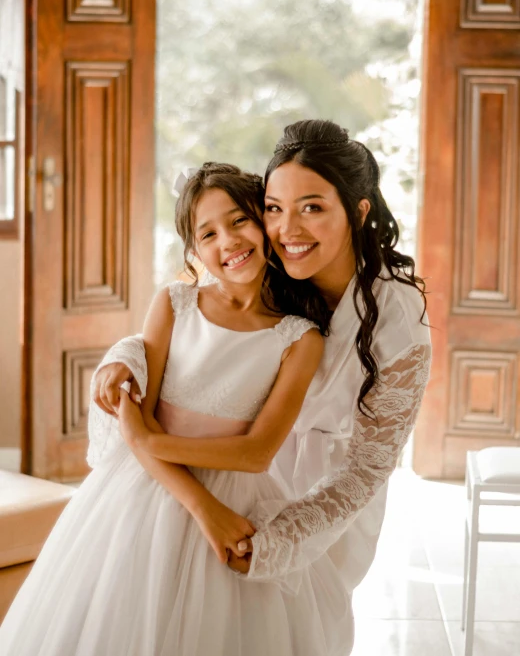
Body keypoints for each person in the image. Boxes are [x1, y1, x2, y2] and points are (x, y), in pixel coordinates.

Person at [93, 120, 432, 654]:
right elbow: (193, 330)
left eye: (313, 207)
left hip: (327, 494)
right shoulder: (270, 265)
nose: (288, 228)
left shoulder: (397, 314)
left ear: (359, 210)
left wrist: (279, 540)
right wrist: (122, 357)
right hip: (234, 469)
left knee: (291, 628)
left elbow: (368, 467)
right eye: (274, 208)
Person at [0, 162, 350, 656]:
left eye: (238, 220)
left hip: (237, 494)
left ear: (265, 221)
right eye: (208, 233)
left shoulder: (300, 337)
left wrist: (147, 440)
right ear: (194, 251)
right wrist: (204, 509)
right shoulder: (174, 304)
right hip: (144, 492)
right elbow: (134, 407)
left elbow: (255, 454)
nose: (228, 241)